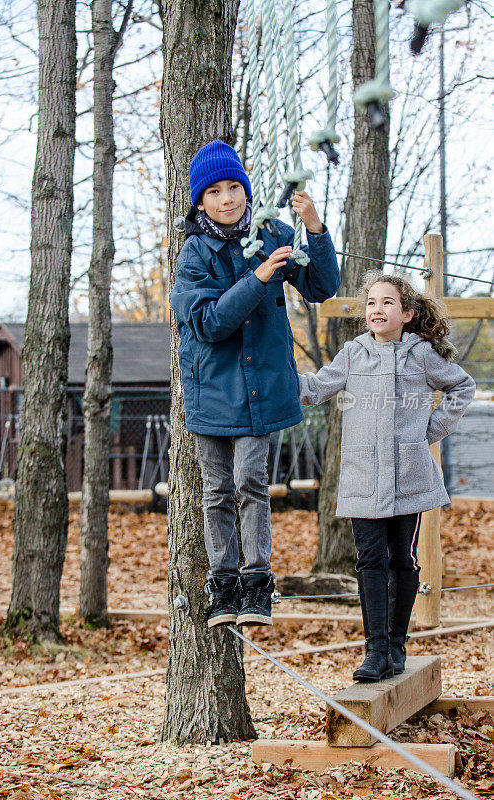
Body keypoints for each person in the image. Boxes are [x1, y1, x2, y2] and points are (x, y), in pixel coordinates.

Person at [170, 139, 341, 629]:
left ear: (245, 190)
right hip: (212, 389)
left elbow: (320, 287)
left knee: (252, 480)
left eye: (234, 188)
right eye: (215, 192)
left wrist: (313, 229)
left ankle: (258, 581)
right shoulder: (193, 255)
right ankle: (223, 582)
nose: (227, 199)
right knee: (217, 489)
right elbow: (208, 322)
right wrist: (259, 278)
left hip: (261, 387)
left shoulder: (270, 233)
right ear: (200, 202)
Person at [298, 272, 475, 681]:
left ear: (407, 313)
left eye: (388, 302)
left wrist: (426, 433)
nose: (377, 309)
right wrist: (270, 376)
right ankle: (375, 652)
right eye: (372, 303)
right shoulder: (352, 353)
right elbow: (314, 388)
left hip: (408, 475)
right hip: (362, 476)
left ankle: (397, 644)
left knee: (403, 559)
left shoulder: (422, 355)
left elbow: (462, 388)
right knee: (370, 560)